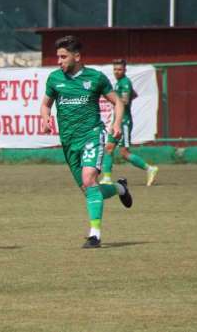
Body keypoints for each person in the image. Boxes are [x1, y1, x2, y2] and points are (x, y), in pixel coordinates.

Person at [40, 35, 133, 249]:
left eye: (63, 57)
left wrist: (116, 123)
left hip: (92, 135)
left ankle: (95, 235)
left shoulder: (96, 78)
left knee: (89, 178)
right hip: (68, 141)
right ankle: (120, 188)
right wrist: (45, 116)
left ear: (77, 56)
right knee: (90, 188)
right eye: (58, 57)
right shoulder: (54, 79)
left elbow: (117, 102)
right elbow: (45, 104)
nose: (59, 61)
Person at [100, 59, 159, 186]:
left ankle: (150, 168)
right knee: (108, 149)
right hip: (117, 121)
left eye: (119, 69)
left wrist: (111, 97)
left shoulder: (125, 82)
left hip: (124, 122)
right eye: (115, 69)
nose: (117, 71)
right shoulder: (119, 83)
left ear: (125, 70)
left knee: (124, 153)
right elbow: (134, 94)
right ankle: (107, 178)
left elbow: (125, 101)